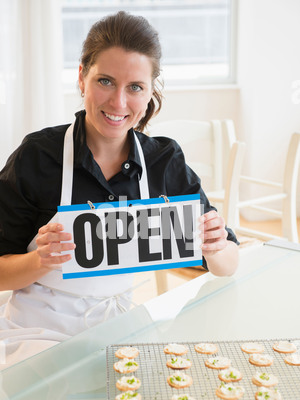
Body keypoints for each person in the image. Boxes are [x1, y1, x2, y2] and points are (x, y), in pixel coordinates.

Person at [0, 11, 239, 368]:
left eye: (135, 87)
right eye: (106, 81)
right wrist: (40, 260)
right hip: (37, 332)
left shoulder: (163, 161)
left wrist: (216, 245)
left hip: (120, 327)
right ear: (82, 78)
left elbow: (228, 263)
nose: (119, 103)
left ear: (149, 92)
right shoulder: (38, 156)